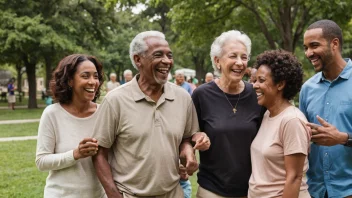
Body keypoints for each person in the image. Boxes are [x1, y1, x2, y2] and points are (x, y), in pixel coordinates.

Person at [92, 31, 210, 198]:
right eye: (158, 55)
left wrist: (188, 151)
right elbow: (99, 153)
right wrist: (113, 195)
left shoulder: (183, 98)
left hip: (173, 193)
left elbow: (185, 138)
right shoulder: (115, 100)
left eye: (169, 55)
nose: (167, 61)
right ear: (138, 59)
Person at [192, 30, 265, 198]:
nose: (239, 63)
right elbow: (189, 135)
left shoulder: (257, 94)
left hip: (251, 190)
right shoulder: (201, 95)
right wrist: (196, 137)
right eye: (233, 56)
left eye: (244, 57)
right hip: (212, 190)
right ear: (217, 61)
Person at [35, 54, 106, 198]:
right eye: (85, 76)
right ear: (69, 81)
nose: (93, 82)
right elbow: (42, 162)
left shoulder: (104, 113)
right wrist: (75, 154)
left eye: (96, 76)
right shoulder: (52, 114)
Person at [300, 19, 352, 198]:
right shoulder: (307, 89)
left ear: (334, 44)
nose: (309, 53)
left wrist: (343, 138)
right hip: (316, 191)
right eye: (306, 47)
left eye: (314, 46)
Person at [248, 50, 310, 198]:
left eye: (261, 80)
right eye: (254, 80)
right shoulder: (268, 114)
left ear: (280, 84)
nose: (254, 85)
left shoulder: (292, 120)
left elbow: (294, 177)